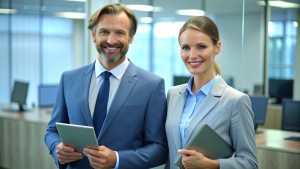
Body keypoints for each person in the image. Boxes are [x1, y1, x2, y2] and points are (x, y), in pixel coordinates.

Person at [44, 3, 168, 169]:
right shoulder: (69, 79)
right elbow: (52, 130)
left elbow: (159, 149)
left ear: (131, 37)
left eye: (119, 33)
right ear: (94, 35)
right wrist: (56, 147)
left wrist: (117, 159)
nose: (111, 40)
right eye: (104, 32)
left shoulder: (152, 85)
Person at [165, 16, 258, 169]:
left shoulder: (236, 101)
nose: (192, 55)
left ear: (217, 47)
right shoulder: (173, 94)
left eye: (201, 46)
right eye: (185, 47)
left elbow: (250, 163)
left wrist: (212, 165)